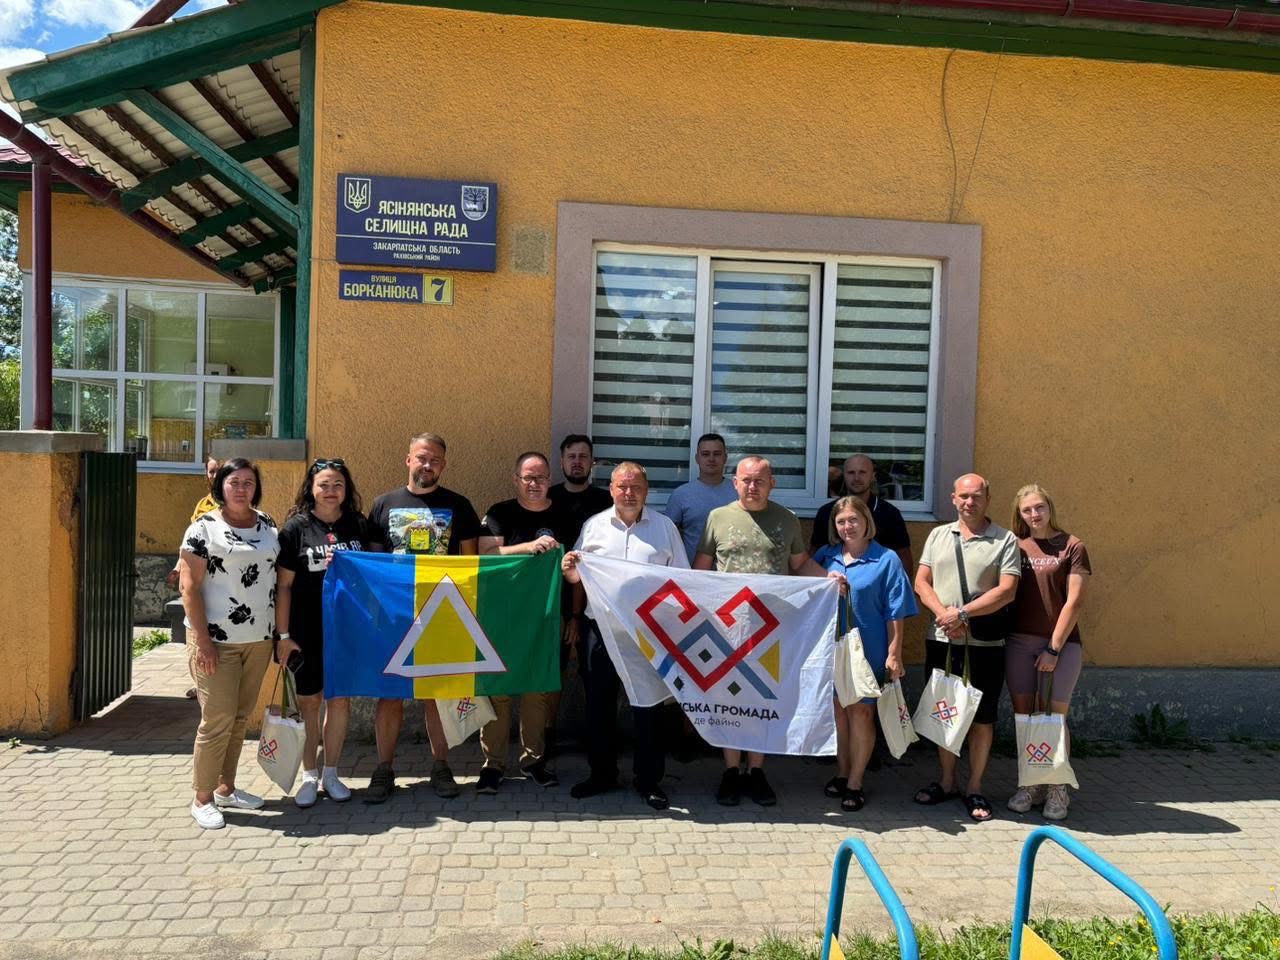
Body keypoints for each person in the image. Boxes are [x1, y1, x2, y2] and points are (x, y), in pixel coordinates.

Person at [693, 455, 842, 807]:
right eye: (745, 480)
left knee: (764, 697)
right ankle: (731, 771)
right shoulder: (718, 517)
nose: (752, 486)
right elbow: (701, 569)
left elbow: (800, 563)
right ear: (735, 483)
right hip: (727, 628)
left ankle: (756, 771)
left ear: (771, 483)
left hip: (774, 627)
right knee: (729, 699)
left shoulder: (787, 518)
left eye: (759, 480)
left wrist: (829, 579)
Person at [561, 462, 689, 809]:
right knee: (599, 704)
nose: (629, 493)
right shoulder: (594, 526)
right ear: (611, 489)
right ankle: (602, 775)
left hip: (649, 633)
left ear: (646, 490)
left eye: (636, 487)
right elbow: (577, 576)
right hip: (601, 631)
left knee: (649, 706)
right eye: (622, 486)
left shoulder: (664, 528)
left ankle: (649, 780)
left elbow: (681, 579)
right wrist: (569, 570)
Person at [365, 433, 482, 803]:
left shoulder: (459, 506)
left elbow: (469, 565)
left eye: (435, 460)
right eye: (421, 457)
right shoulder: (383, 504)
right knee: (390, 695)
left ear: (443, 465)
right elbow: (372, 565)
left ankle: (441, 765)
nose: (427, 465)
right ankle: (383, 769)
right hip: (394, 614)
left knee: (436, 693)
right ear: (408, 459)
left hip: (440, 614)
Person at [912, 473, 1020, 823]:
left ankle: (974, 786)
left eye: (976, 496)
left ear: (987, 499)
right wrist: (945, 616)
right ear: (953, 498)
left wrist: (962, 614)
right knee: (944, 711)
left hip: (986, 644)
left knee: (982, 718)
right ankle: (947, 781)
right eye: (963, 496)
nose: (969, 502)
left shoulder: (1005, 539)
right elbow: (921, 582)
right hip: (943, 640)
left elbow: (1007, 591)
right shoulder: (938, 535)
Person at [179, 458, 279, 830]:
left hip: (258, 638)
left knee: (239, 718)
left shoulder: (267, 523)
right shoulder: (202, 529)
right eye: (234, 481)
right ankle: (202, 798)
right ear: (220, 485)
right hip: (215, 641)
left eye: (248, 482)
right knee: (217, 719)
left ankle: (226, 788)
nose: (241, 489)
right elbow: (189, 587)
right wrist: (202, 641)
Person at [275, 458, 374, 808]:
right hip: (306, 629)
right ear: (311, 488)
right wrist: (283, 636)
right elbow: (283, 586)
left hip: (346, 628)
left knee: (340, 700)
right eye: (324, 485)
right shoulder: (295, 529)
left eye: (338, 485)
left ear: (347, 490)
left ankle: (331, 773)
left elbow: (372, 576)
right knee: (310, 702)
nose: (331, 491)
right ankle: (309, 775)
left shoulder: (358, 525)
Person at [811, 497, 917, 812]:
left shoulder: (886, 559)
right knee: (839, 712)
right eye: (841, 521)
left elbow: (896, 610)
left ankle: (856, 782)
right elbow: (807, 592)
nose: (848, 527)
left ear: (866, 521)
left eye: (853, 520)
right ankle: (842, 772)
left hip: (870, 648)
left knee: (861, 713)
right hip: (832, 648)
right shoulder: (825, 555)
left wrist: (894, 652)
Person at [477, 451, 574, 793]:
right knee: (498, 691)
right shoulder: (500, 513)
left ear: (550, 479)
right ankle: (493, 765)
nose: (535, 484)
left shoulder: (564, 516)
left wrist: (573, 615)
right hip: (501, 616)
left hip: (545, 617)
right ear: (515, 480)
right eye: (528, 478)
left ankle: (534, 760)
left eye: (541, 477)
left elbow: (575, 566)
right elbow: (486, 555)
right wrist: (529, 546)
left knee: (537, 691)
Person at [1005, 484, 1091, 821]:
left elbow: (1075, 601)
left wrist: (1053, 648)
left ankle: (1057, 788)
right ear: (1020, 514)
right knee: (1025, 718)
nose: (1034, 514)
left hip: (1062, 645)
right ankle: (1030, 784)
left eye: (1039, 507)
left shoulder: (1072, 546)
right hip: (1019, 643)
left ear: (1050, 507)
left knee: (1054, 719)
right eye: (1027, 510)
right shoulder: (1015, 545)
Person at [547, 434, 613, 747]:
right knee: (551, 672)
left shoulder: (606, 502)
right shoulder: (547, 498)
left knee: (594, 674)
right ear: (562, 461)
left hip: (596, 602)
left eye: (583, 457)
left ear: (592, 463)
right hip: (552, 598)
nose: (577, 462)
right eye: (571, 456)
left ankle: (598, 739)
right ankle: (545, 738)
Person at [810, 454, 912, 573]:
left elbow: (904, 559)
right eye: (851, 473)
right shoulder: (827, 512)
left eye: (862, 472)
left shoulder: (889, 514)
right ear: (844, 476)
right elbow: (813, 557)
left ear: (873, 476)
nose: (857, 478)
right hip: (835, 581)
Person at [664, 433, 737, 564]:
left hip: (732, 572)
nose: (711, 459)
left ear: (725, 458)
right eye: (705, 454)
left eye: (717, 454)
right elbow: (667, 536)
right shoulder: (681, 494)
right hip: (693, 572)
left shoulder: (738, 492)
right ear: (697, 458)